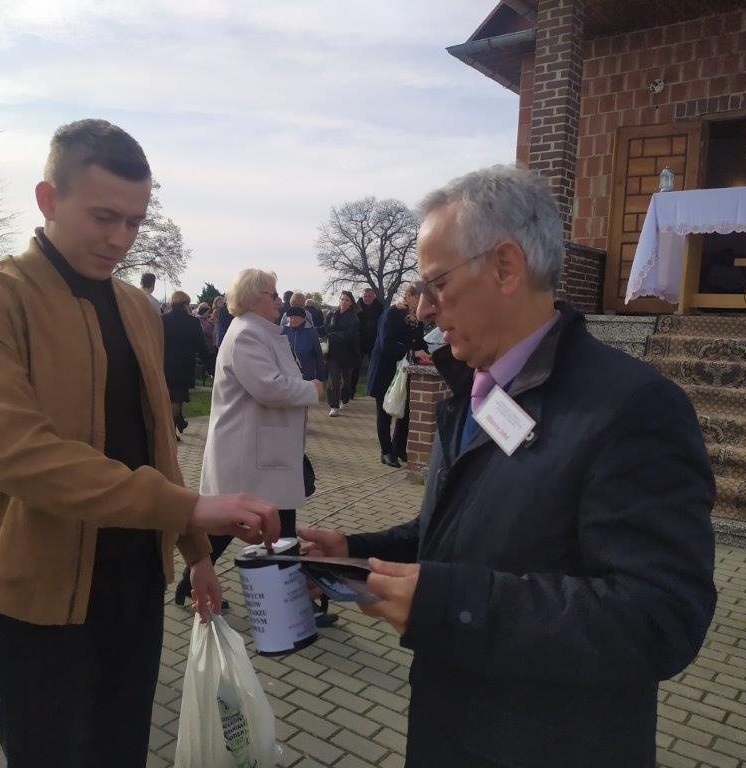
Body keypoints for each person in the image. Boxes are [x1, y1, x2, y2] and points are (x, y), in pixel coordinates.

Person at [299, 165, 717, 768]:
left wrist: (452, 605)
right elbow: (457, 533)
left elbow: (660, 617)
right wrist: (356, 554)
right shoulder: (477, 389)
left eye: (437, 283)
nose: (423, 309)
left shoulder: (632, 409)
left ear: (505, 267)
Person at [0, 119, 280, 768]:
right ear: (48, 199)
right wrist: (188, 508)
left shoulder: (137, 308)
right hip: (38, 595)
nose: (120, 238)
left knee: (123, 751)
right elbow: (12, 453)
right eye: (103, 217)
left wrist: (196, 553)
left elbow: (156, 444)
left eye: (134, 221)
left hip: (136, 585)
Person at [175, 269, 334, 625]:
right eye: (271, 294)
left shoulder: (260, 330)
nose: (278, 300)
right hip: (249, 453)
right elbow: (269, 387)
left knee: (261, 527)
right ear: (251, 298)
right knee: (261, 528)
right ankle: (291, 607)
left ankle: (194, 583)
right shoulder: (248, 333)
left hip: (262, 450)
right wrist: (311, 389)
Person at [366, 283, 429, 468]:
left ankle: (399, 448)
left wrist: (426, 352)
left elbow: (418, 341)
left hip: (405, 370)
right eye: (420, 298)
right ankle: (386, 451)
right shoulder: (392, 314)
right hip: (385, 369)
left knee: (405, 411)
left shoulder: (417, 317)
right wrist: (412, 352)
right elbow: (387, 343)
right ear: (408, 295)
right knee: (385, 411)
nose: (423, 303)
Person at [163, 290, 209, 437]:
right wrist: (210, 365)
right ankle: (170, 432)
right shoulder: (193, 322)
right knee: (177, 400)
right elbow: (201, 346)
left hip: (165, 363)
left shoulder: (162, 319)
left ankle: (170, 430)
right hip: (183, 365)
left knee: (168, 398)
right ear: (185, 304)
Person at [323, 290, 360, 416]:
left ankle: (344, 399)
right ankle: (334, 406)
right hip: (333, 353)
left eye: (347, 300)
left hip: (348, 353)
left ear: (351, 303)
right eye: (342, 299)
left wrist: (333, 335)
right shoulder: (331, 314)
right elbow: (326, 329)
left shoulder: (353, 318)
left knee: (346, 382)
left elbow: (349, 336)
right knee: (333, 381)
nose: (343, 302)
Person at [352, 286, 384, 394]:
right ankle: (351, 391)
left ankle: (373, 390)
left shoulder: (379, 307)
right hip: (359, 340)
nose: (367, 298)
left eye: (369, 296)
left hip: (374, 340)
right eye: (365, 296)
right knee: (355, 367)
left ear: (373, 296)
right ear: (362, 296)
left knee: (375, 366)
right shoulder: (357, 308)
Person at [281, 307, 325, 381]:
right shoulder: (283, 331)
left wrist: (320, 376)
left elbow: (318, 355)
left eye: (296, 318)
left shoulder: (311, 332)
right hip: (288, 373)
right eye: (291, 318)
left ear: (302, 319)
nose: (293, 320)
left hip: (307, 372)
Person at [196, 302, 217, 376]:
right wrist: (213, 332)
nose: (209, 314)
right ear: (203, 312)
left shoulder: (207, 320)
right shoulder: (199, 319)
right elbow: (205, 330)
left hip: (211, 343)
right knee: (209, 359)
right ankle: (208, 372)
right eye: (207, 312)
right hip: (206, 343)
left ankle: (210, 372)